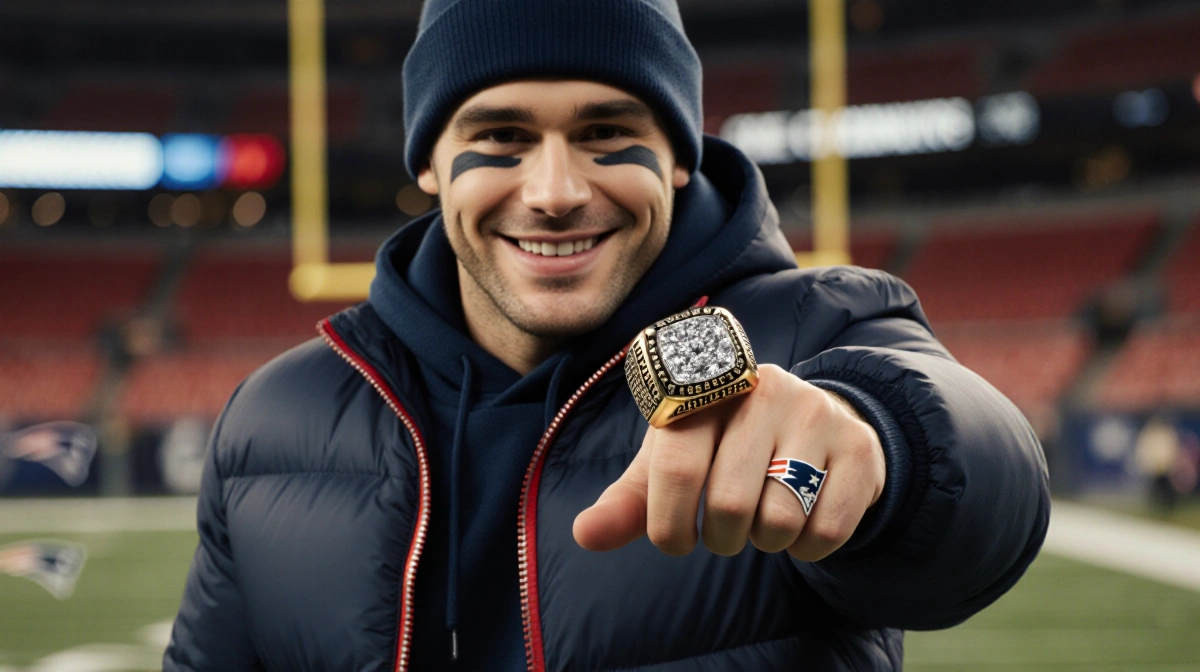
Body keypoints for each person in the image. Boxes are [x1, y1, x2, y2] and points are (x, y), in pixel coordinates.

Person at [164, 0, 1050, 669]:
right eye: (501, 137)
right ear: (430, 161)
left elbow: (986, 489)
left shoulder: (812, 330)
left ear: (677, 153)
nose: (553, 190)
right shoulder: (279, 413)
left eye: (606, 133)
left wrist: (880, 445)